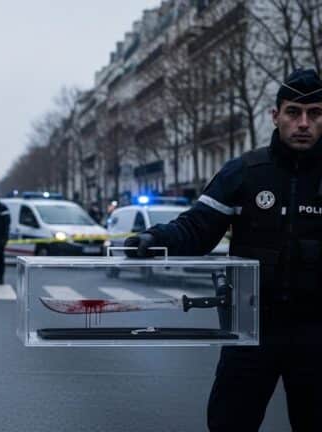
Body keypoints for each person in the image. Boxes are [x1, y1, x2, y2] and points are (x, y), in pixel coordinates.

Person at [125, 68, 322, 431]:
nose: (304, 123)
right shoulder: (244, 171)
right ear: (275, 115)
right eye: (294, 112)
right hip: (252, 325)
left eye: (315, 113)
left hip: (316, 330)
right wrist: (153, 239)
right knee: (229, 423)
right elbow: (197, 228)